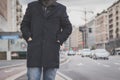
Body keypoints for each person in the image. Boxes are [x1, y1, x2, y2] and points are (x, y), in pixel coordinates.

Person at [20, 0, 72, 80]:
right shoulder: (32, 6)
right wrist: (28, 38)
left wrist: (59, 40)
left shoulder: (61, 8)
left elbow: (68, 27)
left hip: (52, 51)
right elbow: (24, 25)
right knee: (33, 78)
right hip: (34, 51)